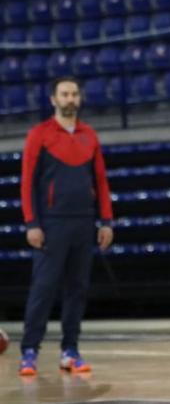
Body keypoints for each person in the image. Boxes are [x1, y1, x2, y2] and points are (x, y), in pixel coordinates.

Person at [18, 76, 113, 376]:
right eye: (64, 94)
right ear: (53, 100)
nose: (70, 99)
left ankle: (70, 350)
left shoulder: (90, 136)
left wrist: (106, 221)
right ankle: (29, 351)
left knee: (77, 290)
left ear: (79, 99)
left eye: (74, 94)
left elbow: (100, 181)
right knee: (43, 289)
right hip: (51, 224)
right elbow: (27, 183)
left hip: (84, 224)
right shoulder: (39, 135)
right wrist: (31, 222)